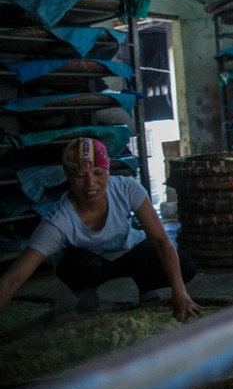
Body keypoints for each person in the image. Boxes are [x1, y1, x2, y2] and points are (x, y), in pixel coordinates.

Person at [0, 137, 203, 320]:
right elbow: (13, 278)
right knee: (72, 265)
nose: (91, 184)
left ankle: (146, 286)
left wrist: (180, 292)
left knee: (185, 265)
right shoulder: (59, 220)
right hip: (92, 264)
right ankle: (88, 296)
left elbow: (161, 241)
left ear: (108, 170)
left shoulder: (127, 189)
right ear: (68, 176)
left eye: (98, 173)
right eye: (80, 175)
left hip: (130, 253)